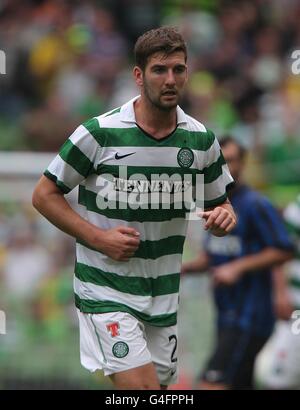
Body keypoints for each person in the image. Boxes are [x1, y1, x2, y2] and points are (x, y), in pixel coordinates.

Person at [32, 26, 236, 390]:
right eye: (160, 70)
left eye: (178, 69)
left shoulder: (201, 140)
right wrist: (99, 238)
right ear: (139, 75)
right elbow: (44, 194)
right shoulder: (100, 133)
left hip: (163, 297)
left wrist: (223, 217)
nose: (170, 79)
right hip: (105, 289)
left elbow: (219, 205)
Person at [182, 136, 294, 390]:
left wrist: (238, 268)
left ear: (243, 163)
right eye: (221, 161)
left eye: (232, 160)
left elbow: (283, 249)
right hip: (226, 314)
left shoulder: (256, 205)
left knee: (211, 384)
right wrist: (186, 268)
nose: (227, 167)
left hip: (250, 316)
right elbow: (217, 256)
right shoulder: (212, 204)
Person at [254, 195, 300, 390]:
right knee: (280, 379)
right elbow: (281, 249)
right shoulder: (298, 206)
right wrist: (280, 293)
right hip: (297, 312)